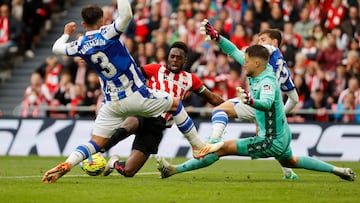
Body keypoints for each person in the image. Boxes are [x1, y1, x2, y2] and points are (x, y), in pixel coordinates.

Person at [41, 0, 223, 183]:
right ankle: (198, 146)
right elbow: (126, 15)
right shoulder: (107, 33)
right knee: (175, 103)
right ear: (102, 20)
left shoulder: (80, 45)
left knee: (95, 142)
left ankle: (68, 163)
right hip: (134, 95)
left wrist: (66, 34)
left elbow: (56, 48)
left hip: (111, 102)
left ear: (83, 24)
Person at [156, 44, 356, 182]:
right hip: (282, 134)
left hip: (270, 140)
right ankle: (339, 170)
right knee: (291, 161)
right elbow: (234, 50)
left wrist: (250, 100)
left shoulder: (266, 81)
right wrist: (218, 38)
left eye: (247, 61)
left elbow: (267, 103)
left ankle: (174, 170)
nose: (244, 63)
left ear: (257, 63)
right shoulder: (260, 71)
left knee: (221, 149)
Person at [100, 41, 225, 177]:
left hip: (158, 126)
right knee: (128, 126)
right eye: (172, 56)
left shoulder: (190, 79)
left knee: (129, 171)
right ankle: (96, 151)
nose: (175, 60)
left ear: (185, 60)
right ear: (168, 57)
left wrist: (231, 107)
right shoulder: (155, 69)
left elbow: (212, 98)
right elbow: (131, 75)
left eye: (179, 57)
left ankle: (113, 162)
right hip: (144, 111)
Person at [201, 19, 299, 179]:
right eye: (258, 40)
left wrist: (218, 37)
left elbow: (236, 51)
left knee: (219, 110)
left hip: (256, 102)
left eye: (263, 39)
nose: (259, 42)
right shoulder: (282, 66)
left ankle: (215, 138)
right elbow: (294, 98)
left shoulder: (266, 54)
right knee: (269, 141)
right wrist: (281, 114)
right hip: (270, 110)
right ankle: (288, 172)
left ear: (274, 42)